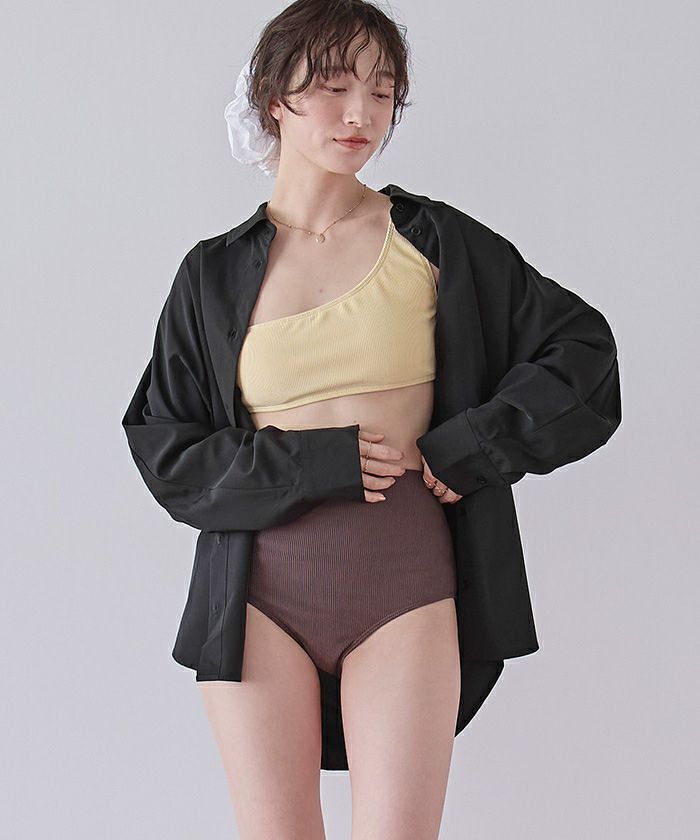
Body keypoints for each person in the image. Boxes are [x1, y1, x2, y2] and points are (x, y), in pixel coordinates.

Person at [121, 1, 622, 837]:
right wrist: (318, 461)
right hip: (254, 597)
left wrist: (469, 448)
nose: (361, 113)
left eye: (383, 92)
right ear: (273, 97)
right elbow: (168, 452)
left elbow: (584, 356)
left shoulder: (436, 242)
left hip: (406, 584)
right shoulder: (210, 274)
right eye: (332, 86)